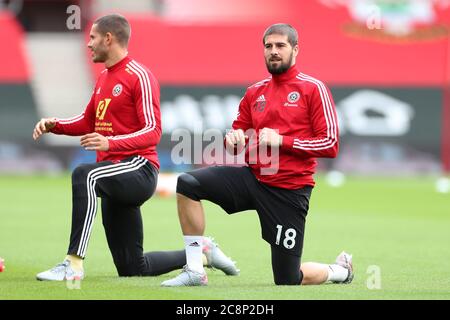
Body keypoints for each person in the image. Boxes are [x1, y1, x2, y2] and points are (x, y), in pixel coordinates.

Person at [32, 14, 238, 281]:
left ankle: (72, 264)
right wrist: (54, 125)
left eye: (92, 37)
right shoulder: (104, 77)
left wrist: (111, 142)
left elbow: (153, 132)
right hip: (114, 175)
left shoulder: (139, 76)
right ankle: (202, 253)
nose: (89, 44)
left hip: (138, 169)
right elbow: (88, 121)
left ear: (109, 38)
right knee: (132, 269)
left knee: (84, 174)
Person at [161, 23, 353, 287]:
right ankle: (195, 269)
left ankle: (340, 271)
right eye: (268, 46)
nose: (273, 51)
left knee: (287, 279)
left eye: (280, 46)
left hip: (288, 191)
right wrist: (233, 140)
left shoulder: (313, 89)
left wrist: (282, 141)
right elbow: (236, 136)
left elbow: (329, 144)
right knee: (188, 184)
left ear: (295, 50)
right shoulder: (255, 92)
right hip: (252, 178)